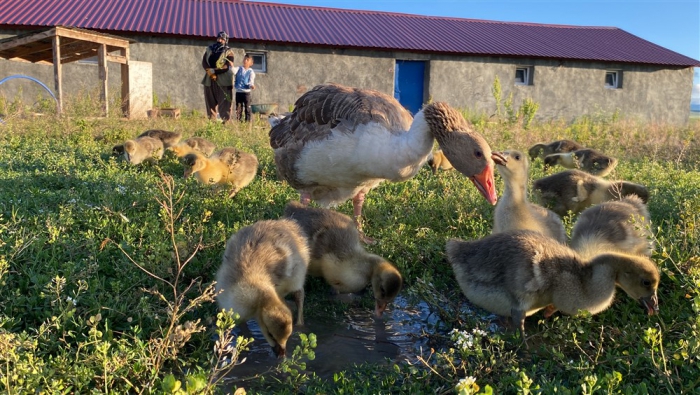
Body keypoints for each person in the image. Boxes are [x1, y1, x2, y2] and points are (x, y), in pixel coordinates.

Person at [201, 31, 235, 122]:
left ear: (226, 40)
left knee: (225, 103)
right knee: (210, 102)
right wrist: (209, 72)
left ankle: (225, 123)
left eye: (222, 39)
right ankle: (212, 123)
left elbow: (227, 66)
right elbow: (204, 62)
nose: (220, 40)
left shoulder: (229, 51)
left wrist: (215, 71)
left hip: (224, 81)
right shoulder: (209, 49)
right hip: (209, 79)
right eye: (219, 38)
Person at [234, 54, 256, 122]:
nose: (245, 61)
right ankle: (238, 120)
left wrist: (251, 85)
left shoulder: (251, 72)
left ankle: (248, 121)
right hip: (239, 92)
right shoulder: (239, 68)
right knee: (238, 107)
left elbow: (251, 81)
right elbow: (233, 71)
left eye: (247, 60)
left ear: (251, 63)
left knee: (247, 107)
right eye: (244, 59)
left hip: (246, 93)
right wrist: (231, 66)